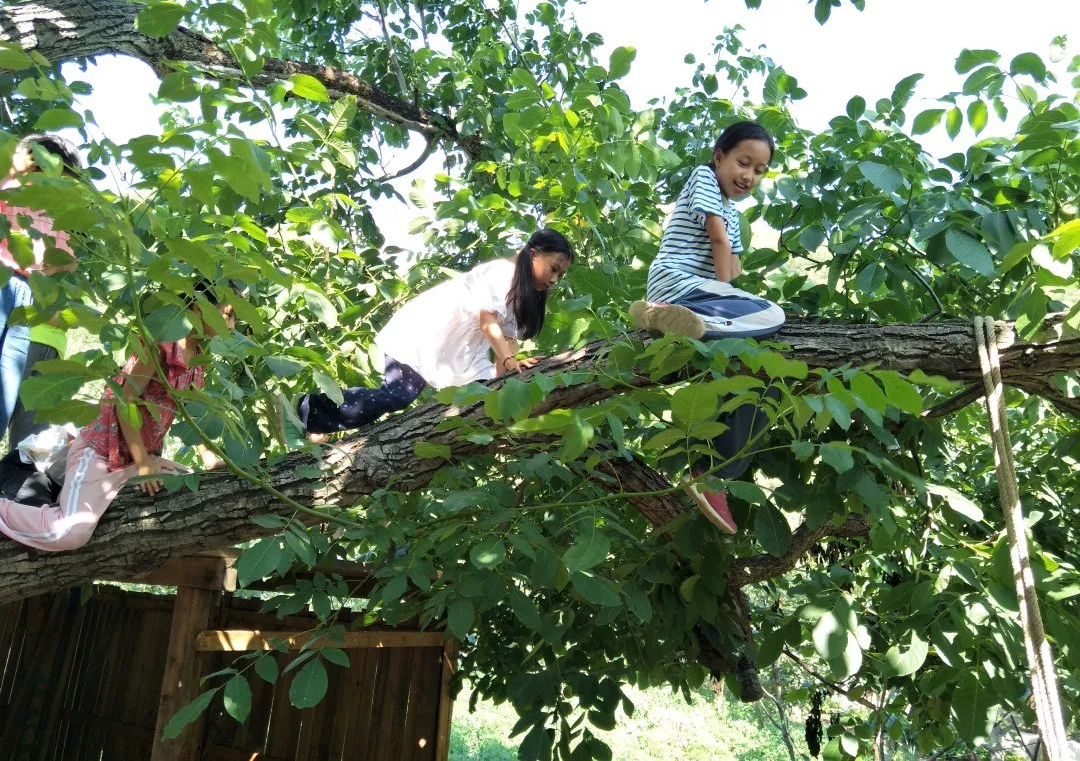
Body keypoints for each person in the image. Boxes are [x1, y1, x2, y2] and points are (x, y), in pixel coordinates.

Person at [629, 121, 785, 534]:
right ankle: (674, 317)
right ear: (719, 157)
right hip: (685, 286)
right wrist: (731, 297)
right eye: (743, 162)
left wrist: (733, 298)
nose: (749, 175)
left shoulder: (734, 215)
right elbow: (719, 246)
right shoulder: (704, 178)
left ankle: (710, 474)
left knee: (754, 365)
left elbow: (732, 269)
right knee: (773, 315)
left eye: (760, 171)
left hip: (697, 297)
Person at [0, 288, 234, 551]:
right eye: (229, 312)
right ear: (201, 308)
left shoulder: (198, 357)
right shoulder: (160, 346)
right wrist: (144, 464)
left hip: (138, 459)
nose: (234, 321)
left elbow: (192, 409)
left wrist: (209, 457)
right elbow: (125, 402)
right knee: (70, 532)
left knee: (190, 484)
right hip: (101, 454)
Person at [294, 229, 574, 435]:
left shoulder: (522, 298)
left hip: (458, 351)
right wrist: (510, 362)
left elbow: (508, 342)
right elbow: (488, 323)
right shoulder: (502, 273)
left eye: (559, 276)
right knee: (396, 395)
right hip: (427, 334)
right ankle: (311, 409)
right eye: (553, 269)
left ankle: (318, 422)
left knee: (481, 396)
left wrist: (506, 381)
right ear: (534, 254)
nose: (554, 279)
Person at [0, 134, 82, 438]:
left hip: (40, 316)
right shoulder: (12, 193)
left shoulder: (57, 220)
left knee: (30, 438)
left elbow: (66, 267)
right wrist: (12, 172)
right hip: (12, 294)